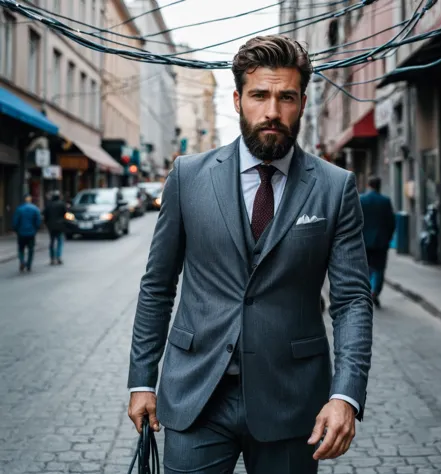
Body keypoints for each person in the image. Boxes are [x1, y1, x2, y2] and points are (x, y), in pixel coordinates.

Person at [128, 35, 373, 474]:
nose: (273, 112)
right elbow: (157, 286)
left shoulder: (335, 188)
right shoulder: (188, 177)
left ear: (301, 102)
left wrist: (346, 395)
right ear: (238, 99)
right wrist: (142, 379)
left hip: (293, 399)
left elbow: (352, 300)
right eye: (260, 95)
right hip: (196, 395)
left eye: (286, 97)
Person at [360, 176, 396, 308]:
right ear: (379, 186)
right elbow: (391, 222)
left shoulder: (361, 199)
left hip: (363, 241)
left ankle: (366, 290)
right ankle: (375, 292)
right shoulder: (385, 201)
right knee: (379, 268)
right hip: (381, 242)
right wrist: (388, 238)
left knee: (365, 268)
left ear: (368, 185)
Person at [12, 194, 42, 272]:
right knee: (31, 249)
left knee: (21, 248)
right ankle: (29, 264)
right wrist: (36, 229)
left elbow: (15, 222)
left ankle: (22, 261)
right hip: (31, 232)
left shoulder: (19, 209)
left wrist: (16, 229)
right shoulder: (35, 209)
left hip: (21, 232)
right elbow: (38, 221)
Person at [43, 190, 67, 265]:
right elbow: (65, 213)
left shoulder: (49, 204)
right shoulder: (62, 204)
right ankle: (58, 256)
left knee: (52, 242)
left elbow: (45, 215)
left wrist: (47, 223)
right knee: (59, 242)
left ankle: (52, 258)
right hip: (60, 226)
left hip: (51, 226)